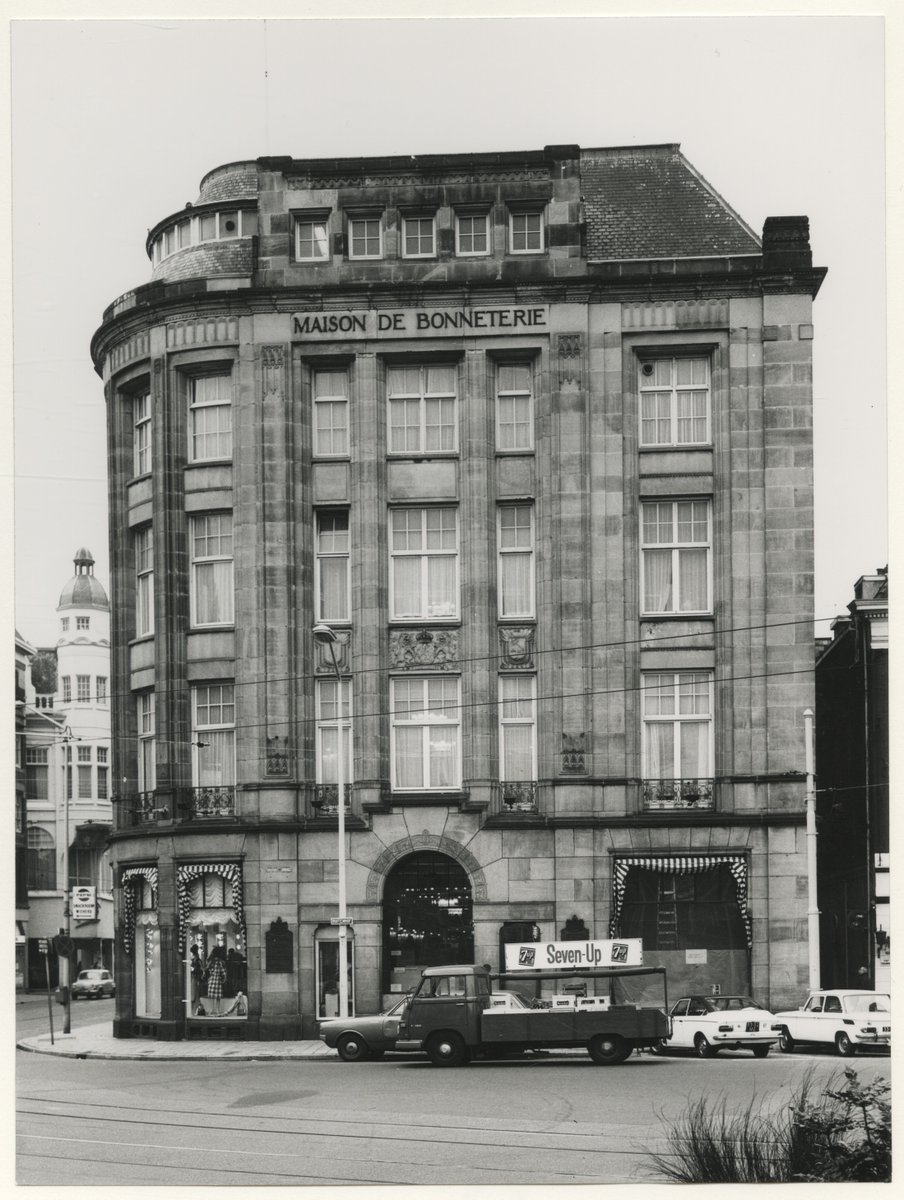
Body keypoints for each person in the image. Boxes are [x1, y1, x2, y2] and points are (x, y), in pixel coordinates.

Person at [205, 945, 227, 1016]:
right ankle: (217, 1011)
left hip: (211, 979)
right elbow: (223, 971)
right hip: (218, 979)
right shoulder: (221, 962)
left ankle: (211, 1010)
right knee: (218, 997)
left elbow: (207, 968)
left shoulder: (211, 961)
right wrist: (224, 978)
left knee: (212, 996)